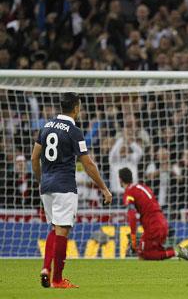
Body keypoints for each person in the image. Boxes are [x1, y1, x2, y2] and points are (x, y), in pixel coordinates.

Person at [31, 92, 112, 289]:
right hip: (65, 186)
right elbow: (88, 164)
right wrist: (104, 188)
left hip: (47, 187)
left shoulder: (46, 126)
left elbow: (34, 158)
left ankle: (45, 269)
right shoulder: (74, 131)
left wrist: (41, 181)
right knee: (62, 230)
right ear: (76, 107)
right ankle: (57, 279)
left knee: (54, 227)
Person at [119, 167, 188, 261]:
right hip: (162, 222)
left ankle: (177, 251)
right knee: (150, 252)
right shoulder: (142, 187)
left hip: (153, 226)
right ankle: (182, 251)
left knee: (144, 254)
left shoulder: (129, 193)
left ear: (120, 179)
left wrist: (133, 237)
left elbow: (132, 216)